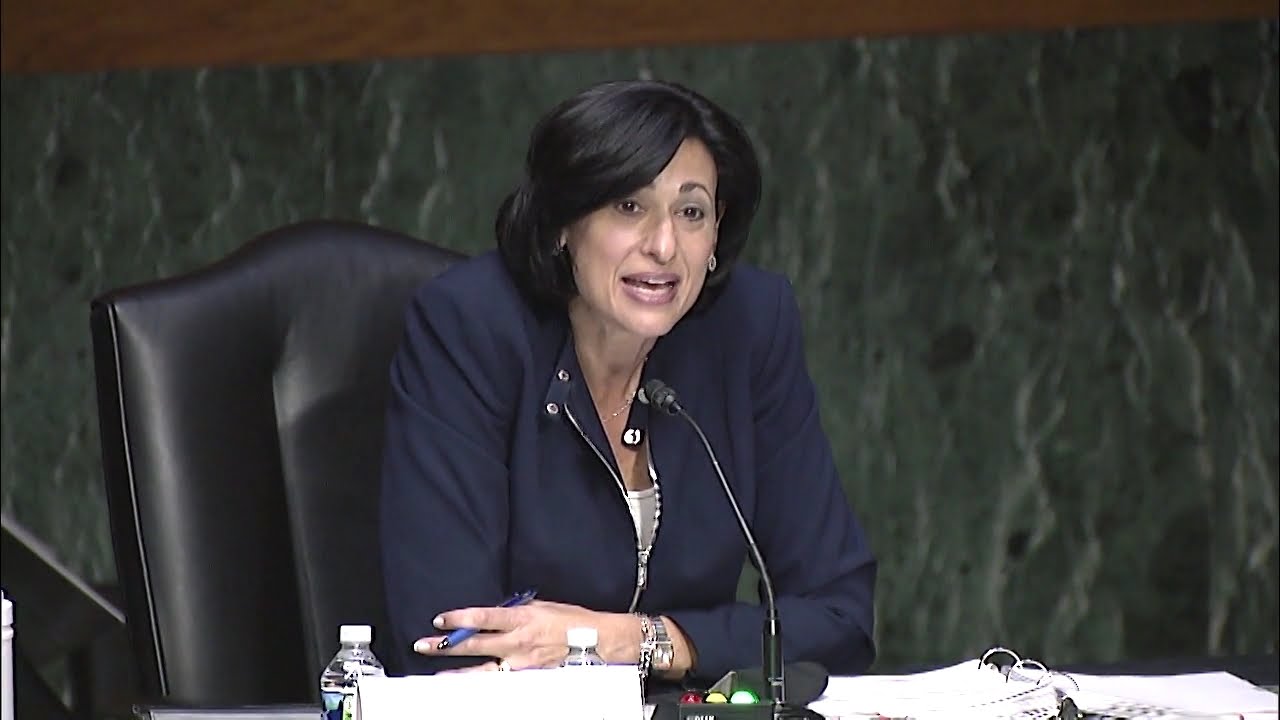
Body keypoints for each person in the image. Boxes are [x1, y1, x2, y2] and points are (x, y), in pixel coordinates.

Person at [378, 79, 877, 689]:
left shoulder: (747, 327)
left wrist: (633, 641)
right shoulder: (471, 328)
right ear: (563, 224)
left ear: (717, 233)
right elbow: (448, 643)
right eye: (628, 207)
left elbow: (840, 617)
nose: (663, 246)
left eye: (691, 212)